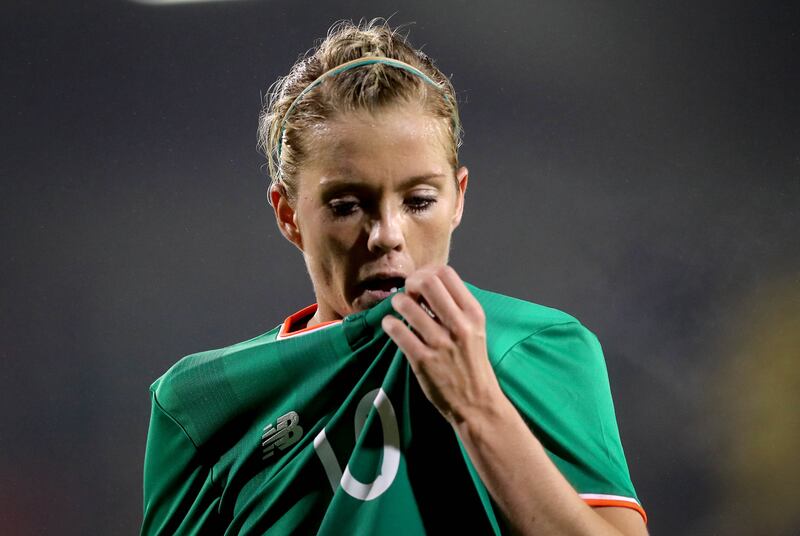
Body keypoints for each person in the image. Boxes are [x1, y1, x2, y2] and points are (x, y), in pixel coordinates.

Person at [141, 18, 648, 535]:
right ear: (288, 214)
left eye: (419, 200)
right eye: (345, 205)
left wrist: (477, 408)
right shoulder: (202, 405)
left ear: (458, 198)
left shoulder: (536, 348)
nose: (387, 234)